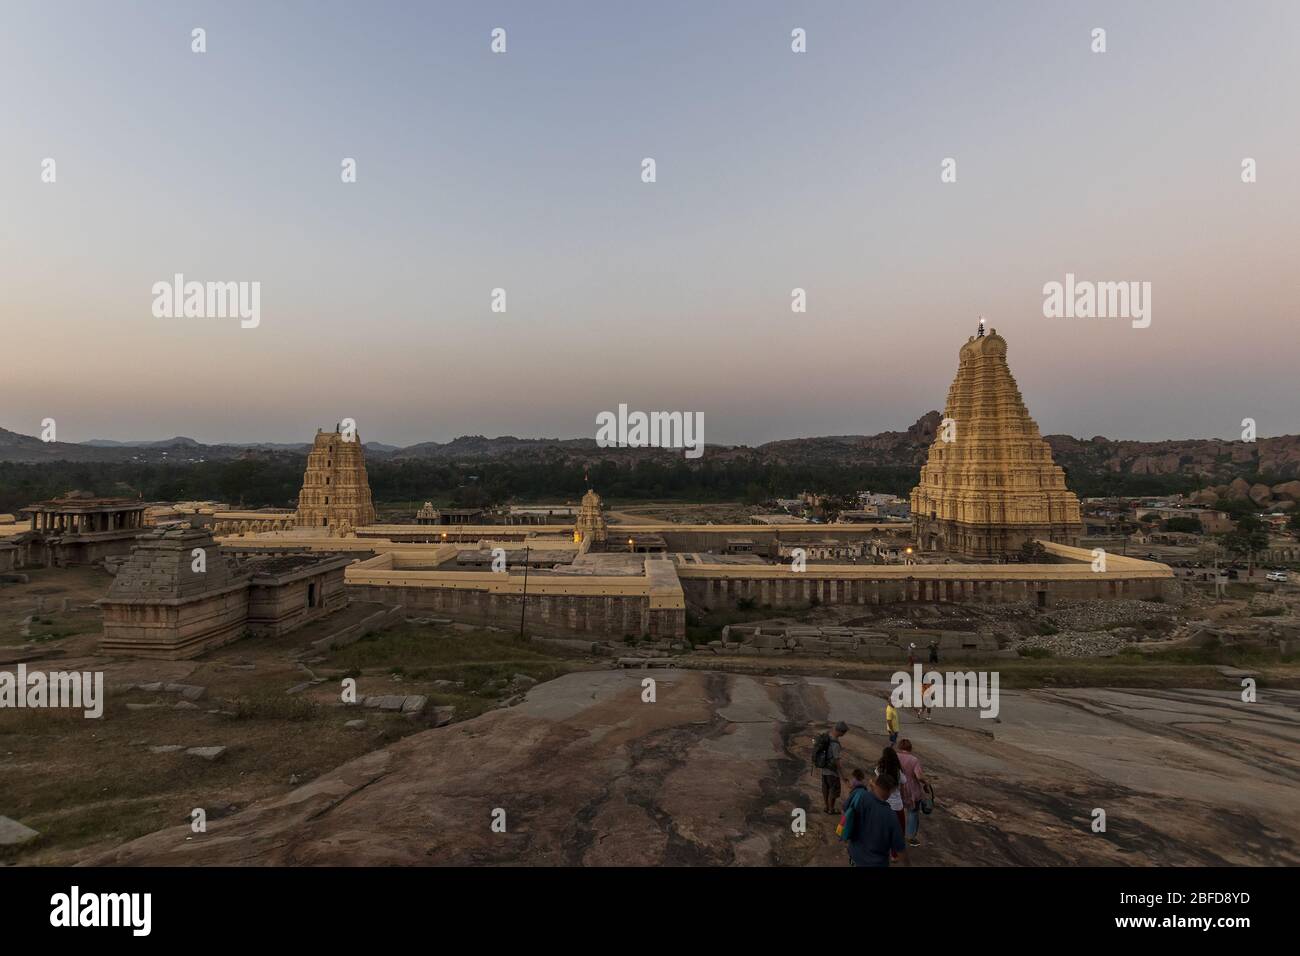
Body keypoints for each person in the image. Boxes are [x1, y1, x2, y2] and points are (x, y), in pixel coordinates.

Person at [841, 768, 907, 867]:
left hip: (855, 856)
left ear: (876, 784)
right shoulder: (891, 816)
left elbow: (845, 809)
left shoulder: (860, 795)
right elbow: (900, 848)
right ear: (891, 791)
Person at [896, 738, 929, 848]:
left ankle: (895, 833)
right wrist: (926, 783)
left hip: (897, 789)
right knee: (913, 813)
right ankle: (911, 837)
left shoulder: (895, 757)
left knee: (896, 812)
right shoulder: (914, 760)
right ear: (910, 748)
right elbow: (919, 776)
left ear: (899, 747)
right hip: (912, 790)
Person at [875, 746, 906, 860]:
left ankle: (882, 851)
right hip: (897, 805)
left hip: (883, 803)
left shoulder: (879, 770)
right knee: (898, 830)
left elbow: (877, 784)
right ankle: (894, 854)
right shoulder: (898, 772)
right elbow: (903, 787)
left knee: (882, 829)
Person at [813, 720, 850, 814]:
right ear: (840, 731)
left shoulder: (827, 737)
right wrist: (843, 775)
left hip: (824, 769)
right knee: (833, 791)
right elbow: (837, 761)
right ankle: (831, 809)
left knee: (825, 789)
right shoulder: (835, 744)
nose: (843, 734)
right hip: (832, 772)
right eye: (843, 733)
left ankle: (826, 807)